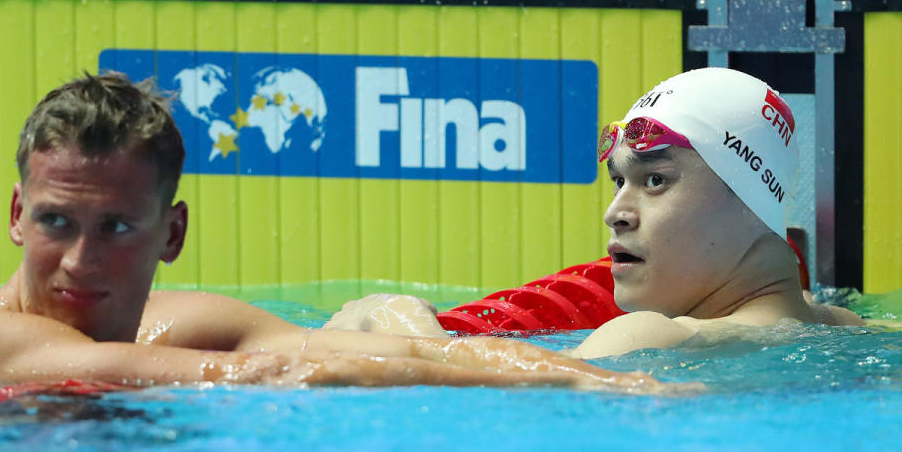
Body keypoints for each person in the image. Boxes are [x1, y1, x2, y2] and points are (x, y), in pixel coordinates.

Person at [0, 72, 681, 394]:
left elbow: (391, 350)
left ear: (173, 232)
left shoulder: (181, 323)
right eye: (55, 222)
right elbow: (273, 372)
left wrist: (594, 378)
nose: (80, 260)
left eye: (116, 227)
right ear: (15, 218)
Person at [350, 68, 863, 357]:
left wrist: (397, 322)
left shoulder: (651, 338)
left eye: (655, 180)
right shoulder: (847, 329)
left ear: (752, 202)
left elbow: (450, 383)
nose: (615, 212)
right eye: (619, 181)